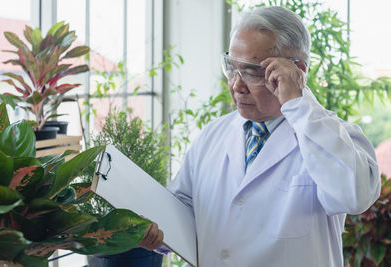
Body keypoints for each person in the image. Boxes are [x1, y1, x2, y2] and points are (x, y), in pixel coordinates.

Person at [138, 6, 381, 267]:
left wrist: (297, 104)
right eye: (232, 68)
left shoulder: (334, 136)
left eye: (252, 72)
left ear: (296, 71)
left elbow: (354, 196)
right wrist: (154, 230)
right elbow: (183, 207)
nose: (237, 85)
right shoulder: (213, 135)